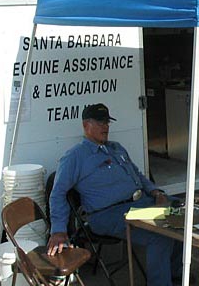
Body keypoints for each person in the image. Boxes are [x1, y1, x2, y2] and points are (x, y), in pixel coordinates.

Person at [47, 103, 185, 286]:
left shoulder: (116, 148)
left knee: (183, 214)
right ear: (86, 125)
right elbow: (57, 193)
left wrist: (156, 191)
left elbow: (138, 174)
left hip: (142, 202)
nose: (106, 127)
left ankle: (175, 276)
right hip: (109, 214)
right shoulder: (75, 156)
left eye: (107, 122)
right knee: (159, 236)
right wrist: (58, 230)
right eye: (100, 122)